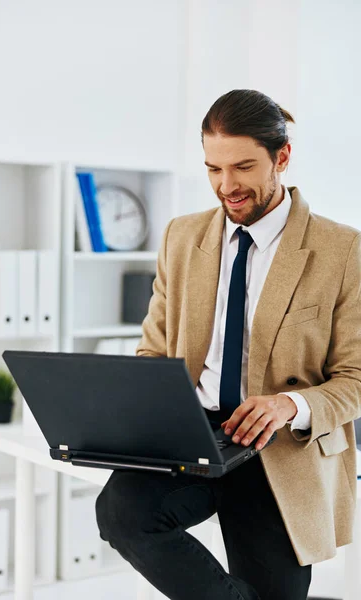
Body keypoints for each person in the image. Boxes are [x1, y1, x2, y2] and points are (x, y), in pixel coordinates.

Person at [95, 89, 361, 600]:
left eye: (242, 167)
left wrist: (289, 404)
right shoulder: (181, 237)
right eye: (213, 169)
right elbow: (154, 353)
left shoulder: (340, 249)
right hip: (197, 434)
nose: (227, 186)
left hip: (280, 445)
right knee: (122, 514)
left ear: (282, 157)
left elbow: (355, 378)